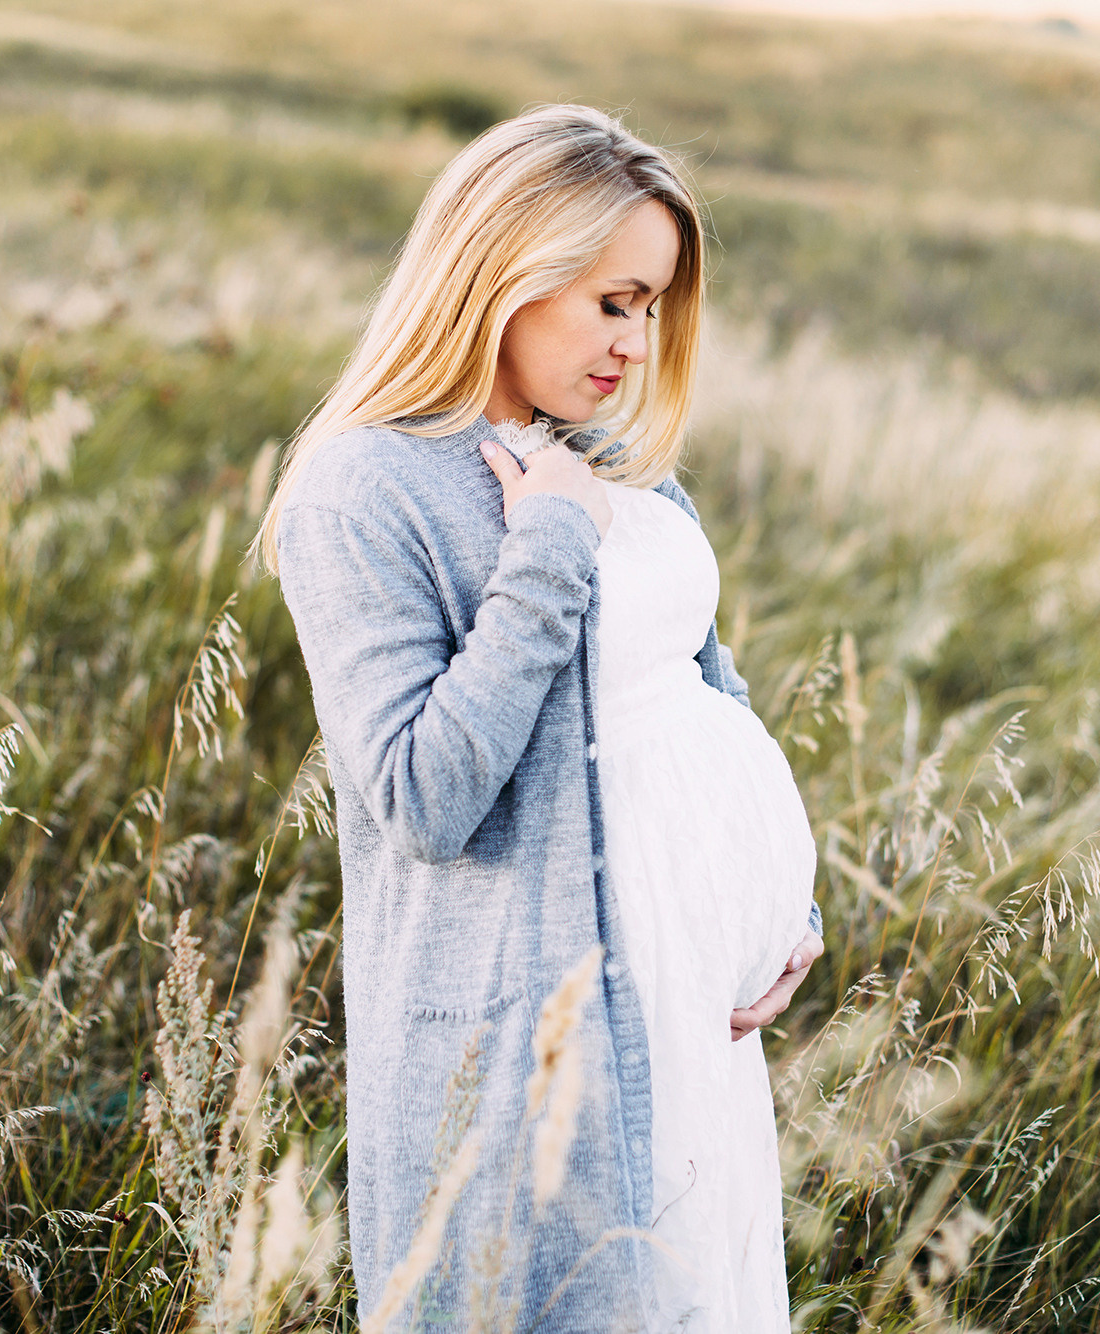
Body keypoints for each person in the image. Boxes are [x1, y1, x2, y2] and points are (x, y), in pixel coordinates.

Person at [254, 103, 825, 1332]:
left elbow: (701, 688)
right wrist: (548, 545)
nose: (635, 340)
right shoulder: (365, 485)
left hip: (691, 1019)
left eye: (653, 307)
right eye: (611, 299)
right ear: (503, 266)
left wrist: (780, 905)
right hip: (536, 1040)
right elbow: (422, 794)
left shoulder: (610, 453)